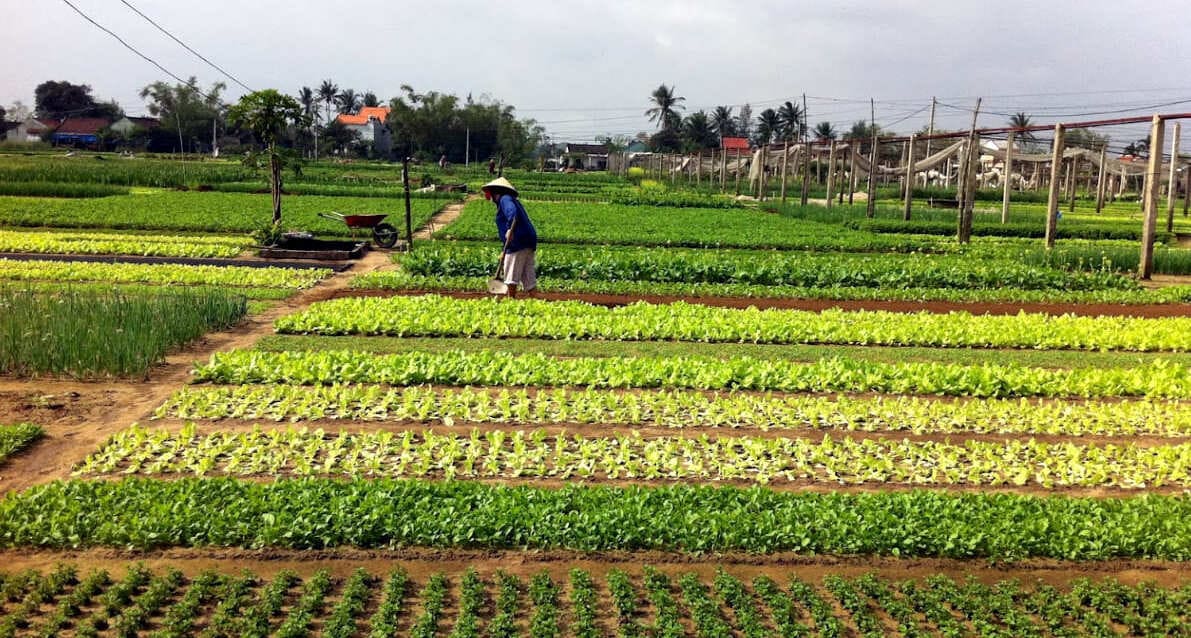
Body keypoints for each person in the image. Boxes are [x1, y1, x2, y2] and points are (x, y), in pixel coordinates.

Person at [482, 177, 537, 297]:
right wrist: (504, 250)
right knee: (528, 276)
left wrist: (509, 229)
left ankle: (510, 300)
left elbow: (512, 213)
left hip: (518, 242)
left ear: (495, 192)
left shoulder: (505, 199)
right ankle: (535, 300)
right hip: (528, 241)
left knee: (511, 275)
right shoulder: (510, 199)